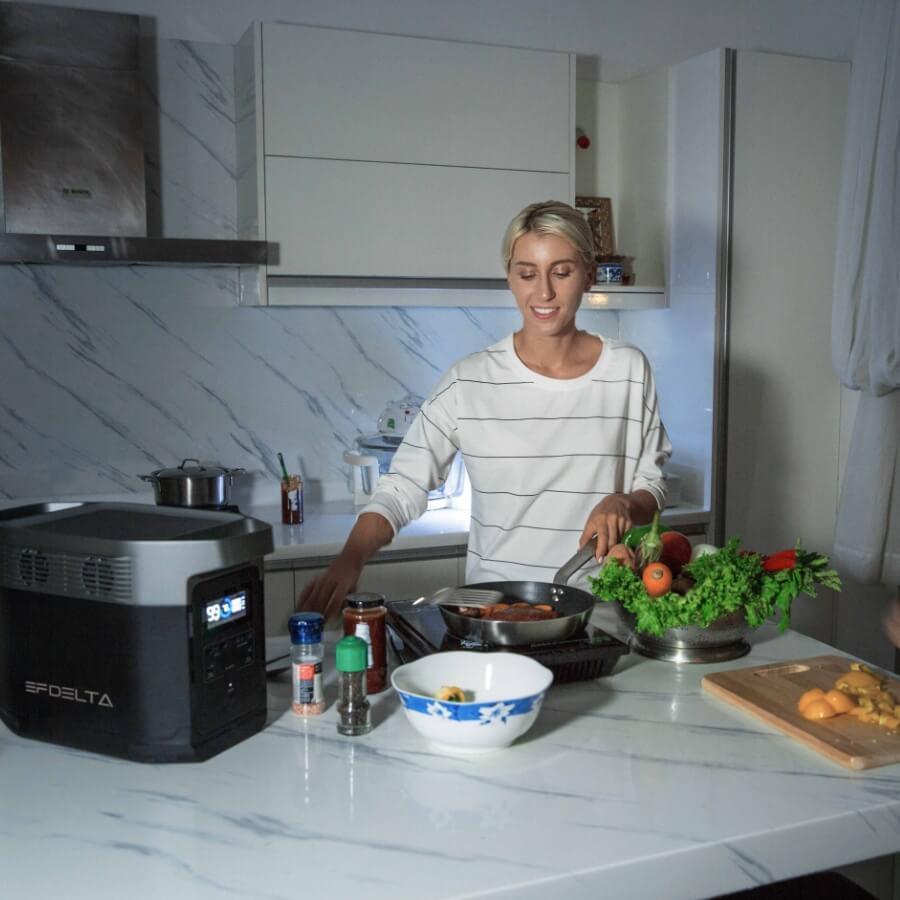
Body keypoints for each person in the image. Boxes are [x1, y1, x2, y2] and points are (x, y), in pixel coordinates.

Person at [301, 200, 672, 618]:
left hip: (597, 609)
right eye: (527, 274)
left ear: (588, 274)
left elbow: (652, 487)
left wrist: (623, 502)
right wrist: (350, 559)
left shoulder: (627, 369)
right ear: (510, 278)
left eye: (562, 272)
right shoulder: (469, 380)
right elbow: (401, 485)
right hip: (493, 612)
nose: (544, 292)